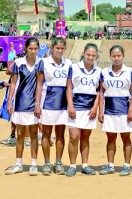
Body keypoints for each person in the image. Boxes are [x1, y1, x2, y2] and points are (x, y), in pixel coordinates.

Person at [34, 37, 72, 176]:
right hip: (47, 102)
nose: (60, 51)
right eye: (57, 48)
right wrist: (37, 104)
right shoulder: (43, 62)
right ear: (52, 48)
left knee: (60, 134)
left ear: (65, 49)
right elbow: (39, 84)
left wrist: (70, 105)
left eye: (62, 48)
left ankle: (58, 162)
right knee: (46, 133)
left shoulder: (68, 63)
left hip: (62, 103)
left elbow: (69, 86)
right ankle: (47, 162)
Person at [98, 45, 132, 176]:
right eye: (114, 56)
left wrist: (131, 110)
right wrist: (100, 111)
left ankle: (126, 165)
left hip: (124, 110)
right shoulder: (104, 72)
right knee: (110, 138)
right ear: (110, 57)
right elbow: (101, 93)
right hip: (109, 110)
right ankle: (110, 165)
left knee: (126, 138)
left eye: (118, 56)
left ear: (123, 56)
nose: (116, 58)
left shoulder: (130, 72)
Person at [5, 37, 41, 176]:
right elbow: (13, 83)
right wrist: (9, 101)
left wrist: (38, 104)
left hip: (34, 104)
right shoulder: (18, 63)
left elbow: (39, 84)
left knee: (33, 135)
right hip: (20, 102)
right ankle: (19, 164)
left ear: (38, 50)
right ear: (26, 48)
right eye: (30, 48)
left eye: (35, 49)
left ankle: (33, 164)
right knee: (20, 134)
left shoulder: (40, 63)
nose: (33, 51)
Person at [65, 43, 101, 176]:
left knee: (85, 137)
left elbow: (99, 91)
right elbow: (68, 88)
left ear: (96, 56)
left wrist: (95, 107)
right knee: (74, 137)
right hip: (75, 107)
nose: (90, 57)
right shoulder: (74, 68)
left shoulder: (99, 71)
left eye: (93, 55)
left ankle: (85, 165)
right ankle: (72, 165)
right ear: (83, 54)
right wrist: (70, 105)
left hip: (89, 109)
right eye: (88, 55)